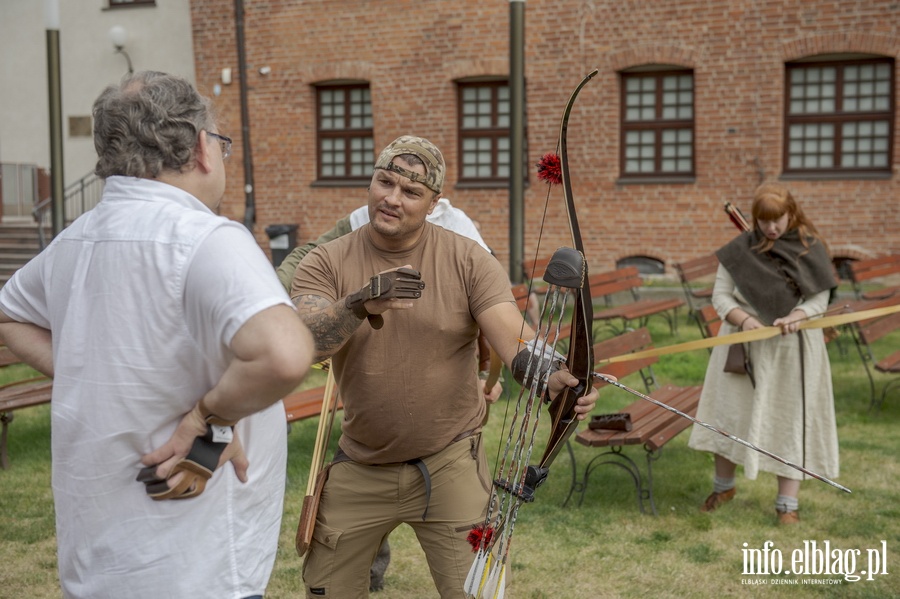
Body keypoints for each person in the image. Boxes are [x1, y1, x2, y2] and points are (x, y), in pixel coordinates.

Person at [0, 71, 315, 598]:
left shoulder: (73, 241)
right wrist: (206, 416)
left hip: (98, 561)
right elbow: (284, 355)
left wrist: (89, 370)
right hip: (197, 563)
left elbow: (10, 315)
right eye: (221, 142)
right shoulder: (206, 237)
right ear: (200, 148)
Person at [290, 135, 600, 598]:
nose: (392, 199)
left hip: (450, 462)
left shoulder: (468, 259)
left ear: (434, 203)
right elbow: (306, 341)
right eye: (384, 182)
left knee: (480, 592)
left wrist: (555, 376)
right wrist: (357, 304)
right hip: (361, 463)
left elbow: (513, 338)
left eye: (411, 192)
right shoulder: (326, 260)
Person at [688, 182, 839, 525]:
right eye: (763, 220)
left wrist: (797, 316)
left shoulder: (807, 247)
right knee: (730, 416)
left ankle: (788, 504)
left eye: (778, 219)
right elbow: (721, 296)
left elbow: (819, 299)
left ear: (791, 214)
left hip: (793, 348)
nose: (771, 228)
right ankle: (723, 487)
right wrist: (744, 320)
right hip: (742, 345)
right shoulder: (740, 249)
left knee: (789, 419)